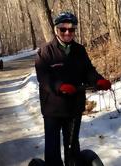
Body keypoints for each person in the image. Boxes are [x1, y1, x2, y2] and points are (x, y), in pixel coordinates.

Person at [35, 11, 111, 166]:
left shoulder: (79, 50)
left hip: (74, 106)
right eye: (63, 29)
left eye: (71, 29)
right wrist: (60, 86)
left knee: (72, 147)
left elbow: (88, 71)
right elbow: (44, 79)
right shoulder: (45, 52)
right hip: (53, 109)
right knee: (53, 148)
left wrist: (99, 80)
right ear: (56, 30)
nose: (67, 32)